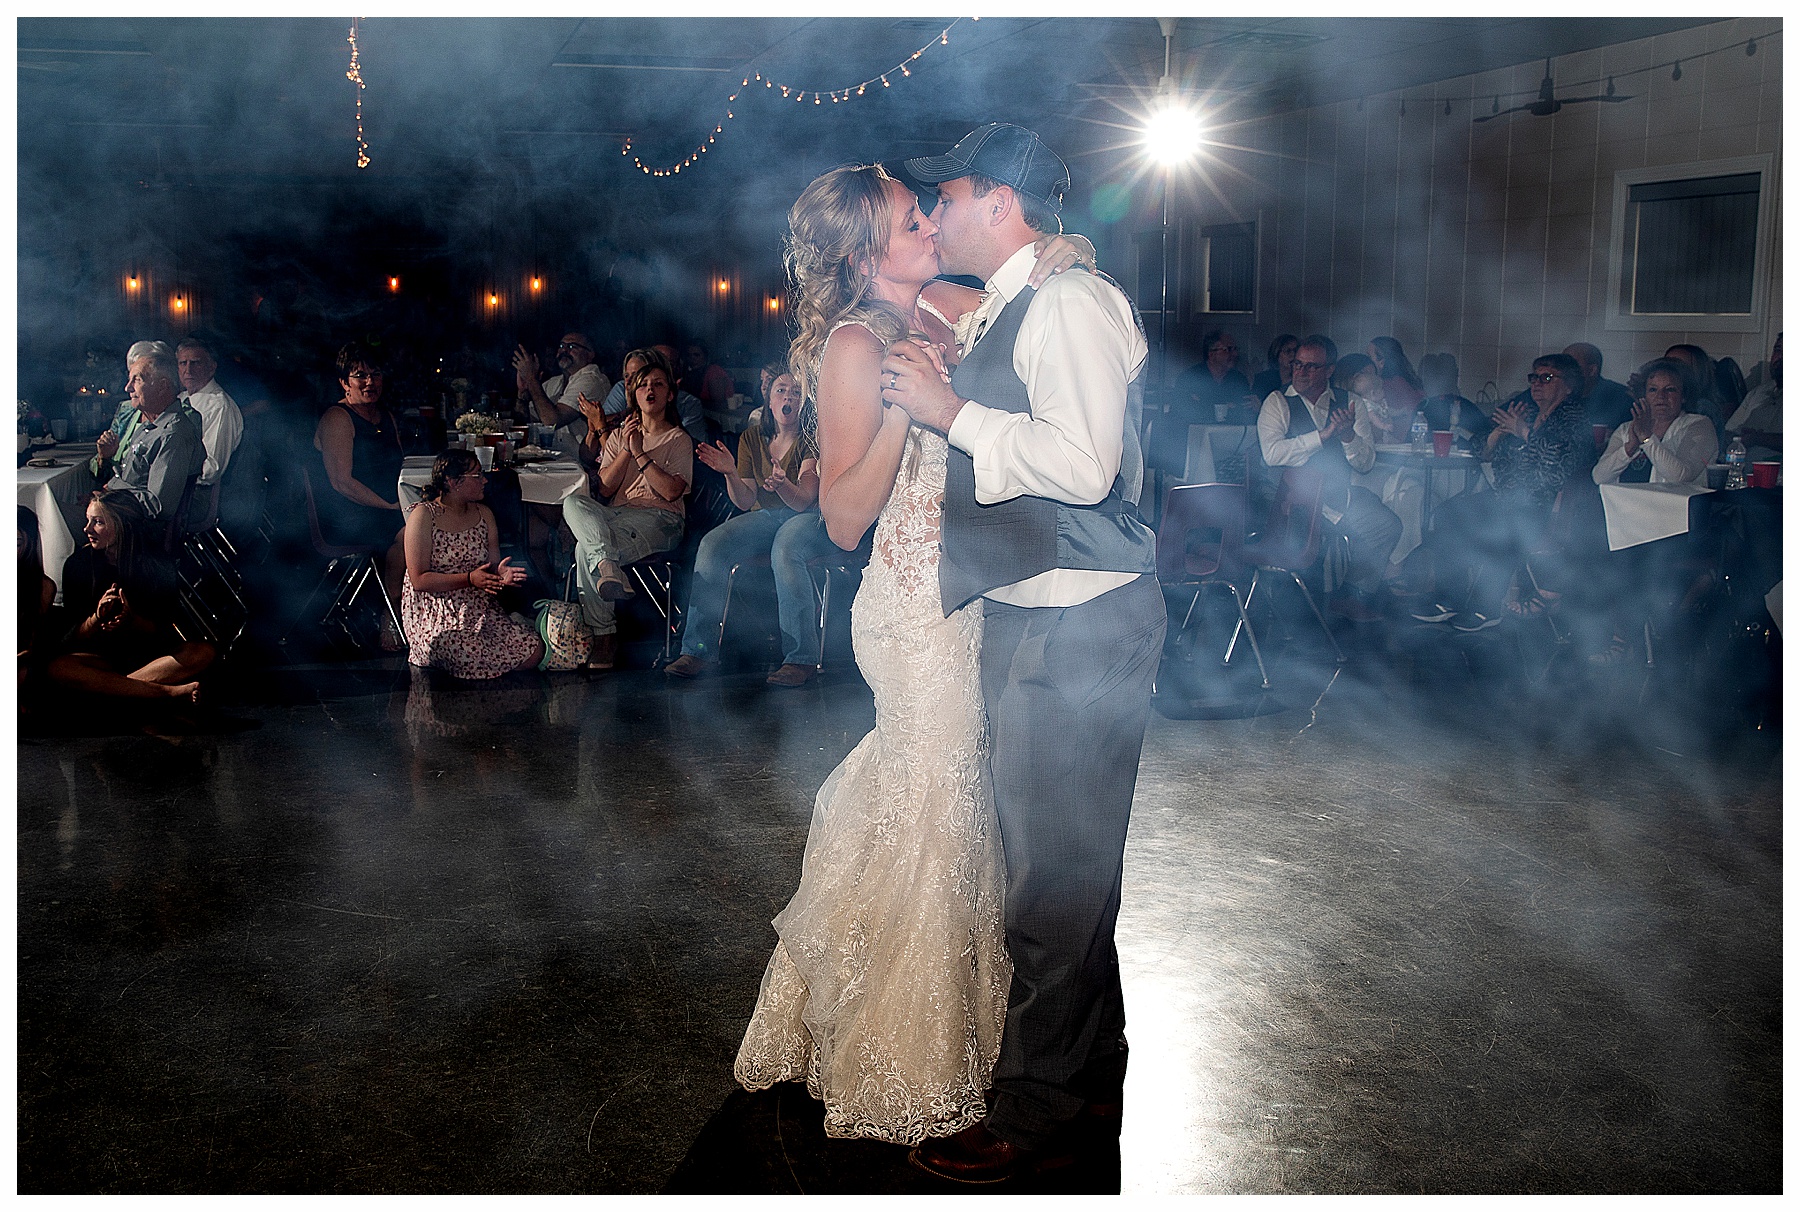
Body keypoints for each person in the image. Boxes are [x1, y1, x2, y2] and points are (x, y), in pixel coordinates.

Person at [733, 155, 1098, 1151]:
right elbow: (844, 517)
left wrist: (1062, 251)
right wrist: (905, 402)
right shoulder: (857, 343)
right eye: (908, 224)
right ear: (861, 253)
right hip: (912, 608)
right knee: (937, 807)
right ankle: (908, 1059)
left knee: (941, 804)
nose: (931, 230)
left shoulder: (943, 300)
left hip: (975, 596)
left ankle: (928, 1026)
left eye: (925, 216)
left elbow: (1017, 295)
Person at [886, 121, 1166, 1182]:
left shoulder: (1072, 302)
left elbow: (1085, 468)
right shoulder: (1030, 296)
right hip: (1038, 606)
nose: (935, 214)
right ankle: (1090, 1068)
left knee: (1051, 875)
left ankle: (1037, 1101)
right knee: (1062, 859)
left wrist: (950, 411)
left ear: (999, 199)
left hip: (1079, 614)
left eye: (945, 197)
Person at [663, 371, 828, 686]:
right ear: (768, 396)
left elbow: (804, 500)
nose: (788, 397)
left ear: (804, 400)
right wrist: (730, 474)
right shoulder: (752, 438)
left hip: (806, 517)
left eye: (796, 392)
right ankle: (698, 649)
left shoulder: (812, 437)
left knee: (786, 546)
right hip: (766, 515)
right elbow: (744, 500)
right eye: (782, 390)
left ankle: (800, 658)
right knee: (713, 543)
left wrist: (781, 485)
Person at [1414, 353, 1594, 629]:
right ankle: (1449, 598)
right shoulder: (1528, 413)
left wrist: (1524, 433)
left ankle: (1486, 607)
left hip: (1550, 506)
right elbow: (1483, 453)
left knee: (1507, 524)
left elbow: (1555, 467)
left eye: (1547, 378)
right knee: (1449, 514)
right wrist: (1497, 435)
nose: (1537, 384)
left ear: (1568, 385)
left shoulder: (1573, 418)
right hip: (1509, 497)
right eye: (1534, 377)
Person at [560, 353, 693, 670]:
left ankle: (604, 637)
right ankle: (607, 566)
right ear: (633, 394)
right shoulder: (620, 434)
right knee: (572, 502)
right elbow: (604, 489)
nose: (650, 390)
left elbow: (672, 491)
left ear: (668, 394)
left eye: (658, 385)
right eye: (643, 385)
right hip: (619, 515)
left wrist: (639, 452)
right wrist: (625, 448)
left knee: (583, 549)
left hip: (661, 519)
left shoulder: (678, 438)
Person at [1257, 336, 1403, 620]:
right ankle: (1301, 612)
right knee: (1319, 539)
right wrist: (1321, 437)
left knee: (1386, 526)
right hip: (1290, 504)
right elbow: (1273, 455)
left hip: (1339, 498)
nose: (1300, 372)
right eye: (1297, 364)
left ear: (1329, 370)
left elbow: (1365, 464)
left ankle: (1350, 594)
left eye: (1311, 367)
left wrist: (1348, 436)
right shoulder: (1277, 403)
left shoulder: (1351, 404)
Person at [45, 489, 212, 704]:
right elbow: (71, 637)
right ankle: (163, 692)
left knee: (202, 652)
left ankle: (113, 690)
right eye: (88, 521)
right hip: (99, 658)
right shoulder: (79, 563)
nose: (87, 529)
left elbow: (163, 631)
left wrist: (132, 620)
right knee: (58, 668)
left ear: (123, 525)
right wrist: (96, 618)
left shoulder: (156, 563)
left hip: (146, 658)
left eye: (98, 522)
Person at [400, 449, 543, 680]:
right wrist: (468, 579)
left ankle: (492, 655)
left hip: (476, 606)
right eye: (477, 475)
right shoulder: (424, 516)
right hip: (436, 608)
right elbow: (419, 580)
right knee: (467, 652)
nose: (484, 480)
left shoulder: (484, 514)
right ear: (453, 482)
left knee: (532, 651)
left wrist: (501, 573)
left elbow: (491, 566)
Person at [312, 342, 407, 646]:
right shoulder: (338, 417)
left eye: (375, 374)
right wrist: (392, 506)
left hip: (386, 508)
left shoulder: (386, 416)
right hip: (347, 515)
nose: (370, 382)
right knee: (414, 533)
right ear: (344, 382)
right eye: (359, 375)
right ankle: (391, 617)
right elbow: (341, 483)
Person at [98, 341, 205, 522]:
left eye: (137, 380)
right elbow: (130, 480)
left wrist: (111, 495)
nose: (128, 388)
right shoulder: (149, 426)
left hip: (134, 530)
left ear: (162, 386)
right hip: (117, 516)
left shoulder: (173, 435)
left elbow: (158, 506)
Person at [1592, 359, 1718, 486]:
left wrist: (1647, 439)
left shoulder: (1699, 425)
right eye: (1653, 389)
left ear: (1684, 396)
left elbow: (1680, 477)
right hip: (1625, 505)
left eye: (1670, 389)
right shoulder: (1626, 429)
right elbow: (1598, 477)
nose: (1661, 396)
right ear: (1644, 395)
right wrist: (1629, 448)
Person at [175, 336, 245, 495]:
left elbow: (211, 469)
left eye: (195, 363)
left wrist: (171, 476)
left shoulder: (219, 406)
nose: (188, 370)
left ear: (211, 368)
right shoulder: (181, 399)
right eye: (183, 363)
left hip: (196, 494)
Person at [511, 330, 609, 438]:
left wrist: (531, 379)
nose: (564, 350)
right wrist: (523, 394)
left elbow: (551, 421)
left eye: (572, 347)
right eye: (561, 346)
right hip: (549, 453)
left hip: (574, 454)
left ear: (590, 355)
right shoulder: (554, 382)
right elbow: (527, 422)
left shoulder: (591, 380)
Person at [1725, 333, 1781, 461]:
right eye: (1778, 350)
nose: (1781, 357)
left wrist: (1759, 439)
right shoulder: (1758, 393)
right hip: (1739, 466)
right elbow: (1731, 429)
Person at [1564, 342, 1635, 430]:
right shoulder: (1558, 396)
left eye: (1570, 367)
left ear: (1592, 370)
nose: (1563, 372)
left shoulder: (1621, 398)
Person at [1368, 336, 1424, 421]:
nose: (1365, 362)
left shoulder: (1390, 385)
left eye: (1369, 357)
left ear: (1381, 362)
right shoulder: (1402, 381)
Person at [1250, 333, 1299, 401]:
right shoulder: (1263, 380)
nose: (1293, 354)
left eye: (1296, 351)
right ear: (1277, 354)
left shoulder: (1301, 379)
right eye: (1288, 351)